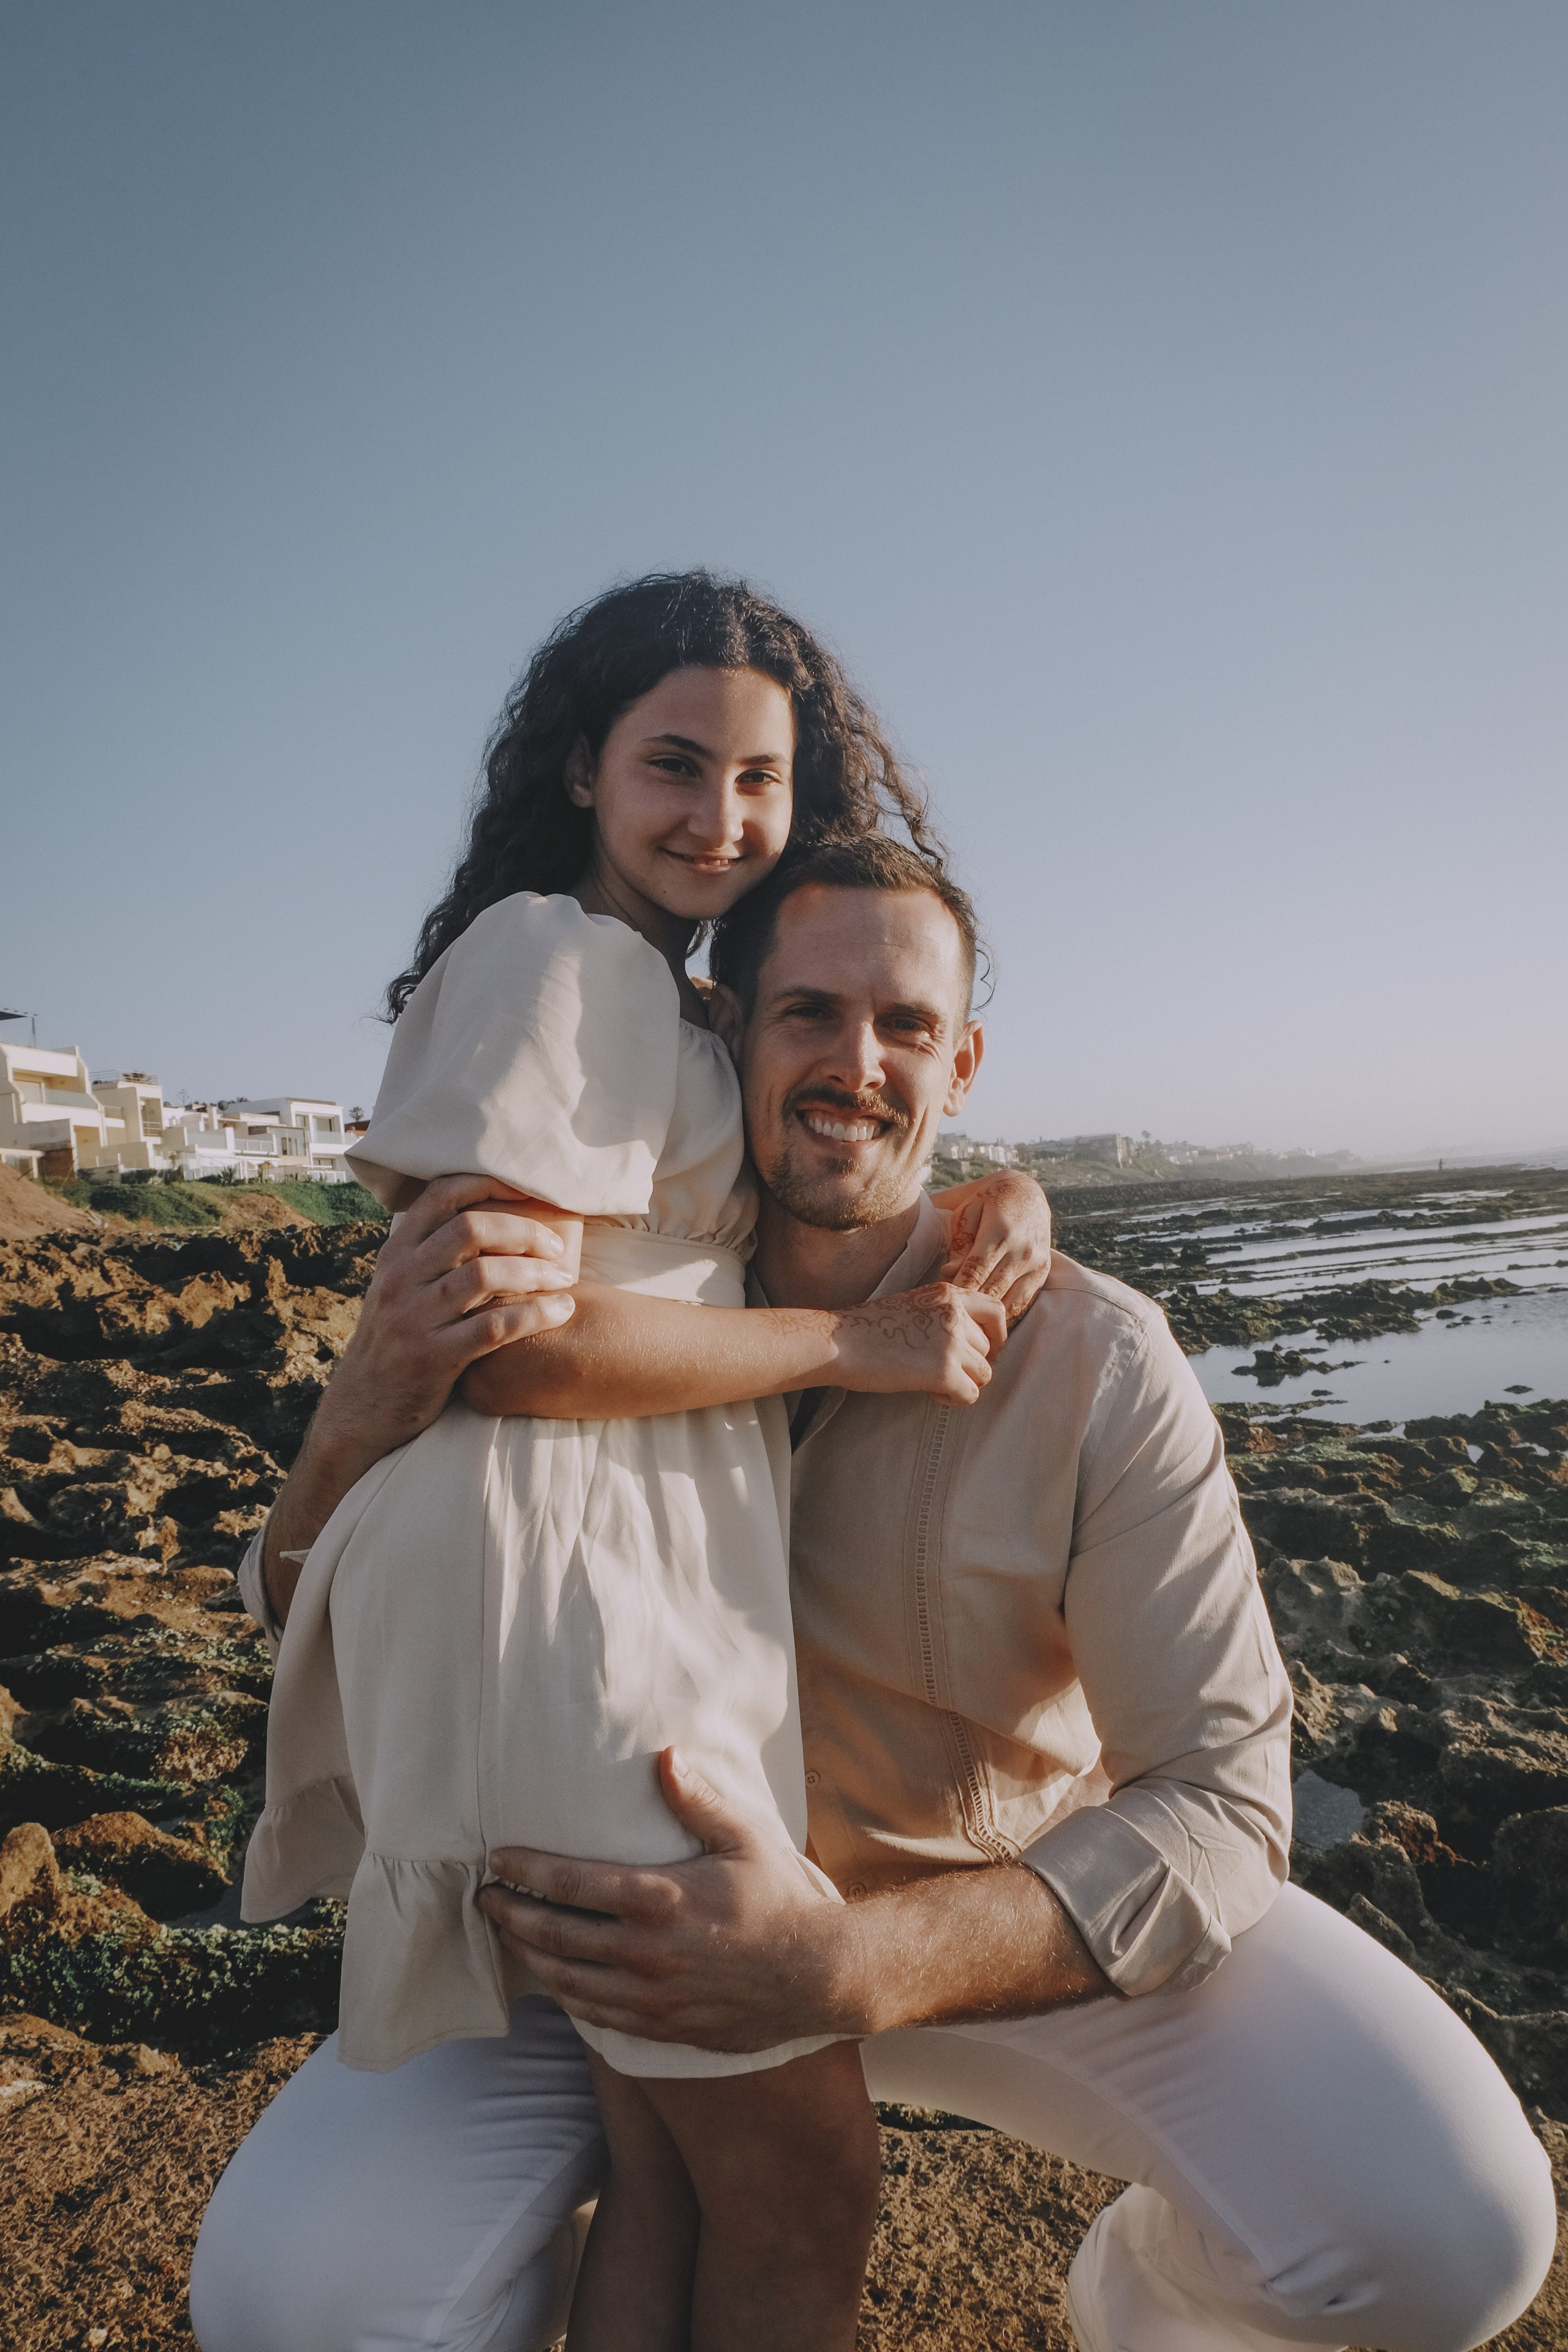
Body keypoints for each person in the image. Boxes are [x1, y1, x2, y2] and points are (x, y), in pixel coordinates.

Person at [193, 843, 1556, 2352]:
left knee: (1452, 2230)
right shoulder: (558, 1311)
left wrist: (847, 1964)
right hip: (600, 1951)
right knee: (291, 2306)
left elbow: (1225, 1803)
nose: (857, 1063)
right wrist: (354, 1415)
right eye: (809, 1013)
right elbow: (291, 1604)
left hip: (980, 1921)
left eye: (905, 1026)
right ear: (723, 1030)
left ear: (960, 1061)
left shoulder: (1091, 1358)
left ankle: (1139, 2305)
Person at [229, 573, 1053, 2352]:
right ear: (583, 770)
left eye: (760, 780)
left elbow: (814, 1166)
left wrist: (1004, 1191)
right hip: (569, 1602)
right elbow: (512, 1360)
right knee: (804, 2175)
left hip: (622, 1587)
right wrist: (869, 1344)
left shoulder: (672, 1003)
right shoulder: (554, 954)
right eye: (674, 766)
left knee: (670, 2173)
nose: (722, 818)